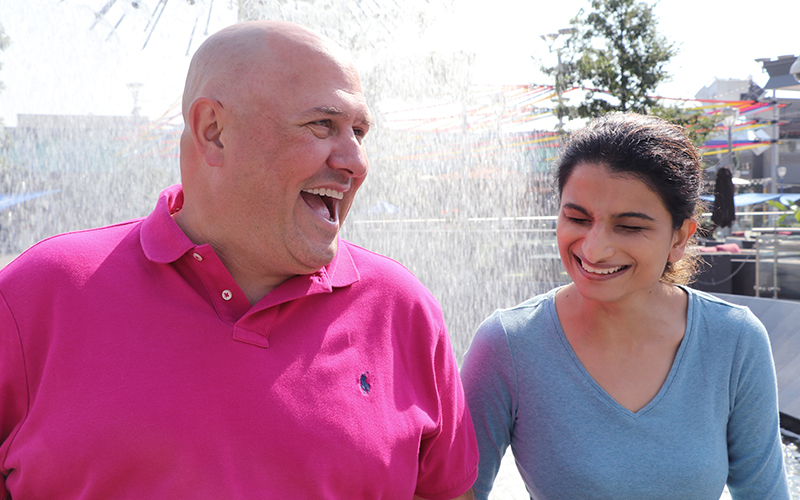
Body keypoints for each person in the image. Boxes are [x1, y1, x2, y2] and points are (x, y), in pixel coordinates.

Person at [0, 21, 478, 499]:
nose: (356, 161)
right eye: (322, 125)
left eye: (359, 131)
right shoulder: (37, 295)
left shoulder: (405, 310)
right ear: (214, 132)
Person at [461, 113, 790, 499]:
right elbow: (456, 492)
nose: (594, 248)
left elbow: (765, 493)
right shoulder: (508, 345)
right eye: (577, 218)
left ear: (680, 237)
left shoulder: (734, 340)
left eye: (630, 226)